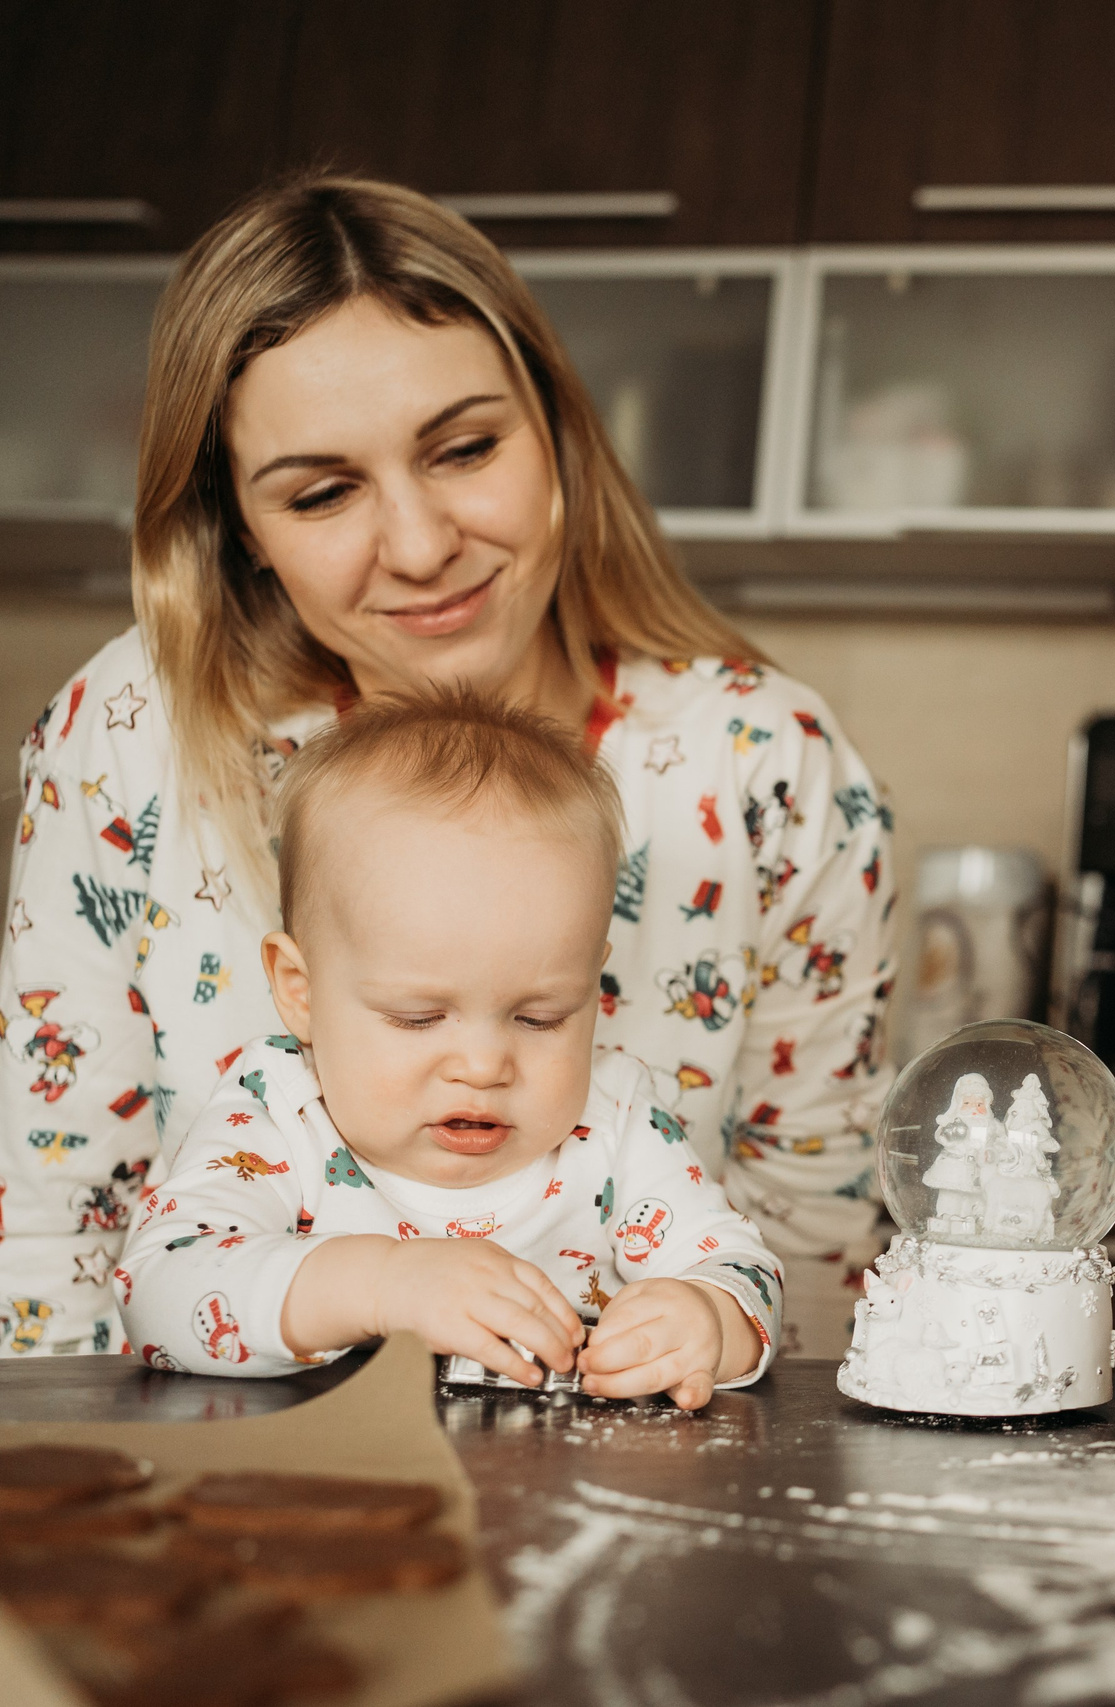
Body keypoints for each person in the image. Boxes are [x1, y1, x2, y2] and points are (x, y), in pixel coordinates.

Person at [2, 176, 894, 1361]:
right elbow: (51, 1225)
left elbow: (813, 1242)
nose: (421, 548)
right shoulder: (136, 728)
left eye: (465, 449)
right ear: (244, 531)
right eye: (322, 493)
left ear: (557, 429)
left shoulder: (767, 767)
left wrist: (707, 1338)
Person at [117, 692, 779, 1407]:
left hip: (564, 1498)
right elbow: (157, 1289)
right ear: (301, 990)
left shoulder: (615, 1116)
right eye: (418, 1016)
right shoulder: (277, 1106)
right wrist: (380, 1283)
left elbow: (743, 1267)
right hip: (329, 1487)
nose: (483, 1065)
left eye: (540, 1017)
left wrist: (707, 1317)